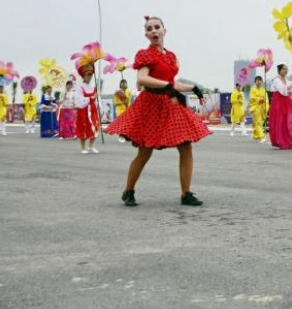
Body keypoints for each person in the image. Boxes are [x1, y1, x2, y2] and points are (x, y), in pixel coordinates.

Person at [106, 15, 211, 207]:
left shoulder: (170, 56)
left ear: (164, 31)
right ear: (146, 34)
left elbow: (172, 83)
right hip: (150, 105)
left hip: (170, 104)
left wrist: (192, 88)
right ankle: (128, 191)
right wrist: (166, 86)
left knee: (186, 146)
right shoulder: (144, 54)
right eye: (149, 29)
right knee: (145, 152)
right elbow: (142, 78)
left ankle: (186, 193)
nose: (153, 30)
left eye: (156, 27)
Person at [268, 64, 292, 150]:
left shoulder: (287, 81)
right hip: (278, 103)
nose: (286, 70)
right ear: (279, 70)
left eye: (287, 69)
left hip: (287, 103)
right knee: (280, 123)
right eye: (284, 69)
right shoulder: (276, 80)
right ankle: (281, 142)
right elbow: (283, 91)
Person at [75, 67, 99, 154]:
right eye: (88, 75)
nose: (89, 77)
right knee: (84, 128)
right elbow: (78, 100)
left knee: (95, 127)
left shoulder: (93, 87)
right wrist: (90, 98)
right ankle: (83, 148)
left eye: (91, 75)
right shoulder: (80, 87)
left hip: (93, 110)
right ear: (83, 76)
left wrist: (97, 101)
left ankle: (91, 146)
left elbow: (97, 99)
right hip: (84, 111)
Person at [248, 75, 269, 143]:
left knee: (260, 122)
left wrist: (266, 107)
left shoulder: (263, 90)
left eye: (260, 80)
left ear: (262, 82)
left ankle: (255, 135)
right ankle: (262, 137)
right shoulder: (253, 89)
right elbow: (252, 98)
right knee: (258, 123)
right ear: (255, 82)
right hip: (256, 107)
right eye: (257, 80)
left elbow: (266, 99)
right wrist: (259, 99)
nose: (259, 82)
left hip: (262, 108)